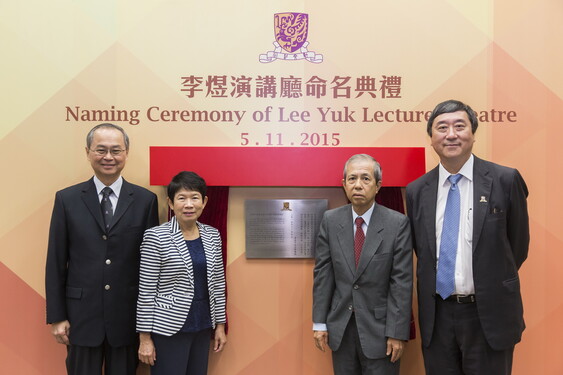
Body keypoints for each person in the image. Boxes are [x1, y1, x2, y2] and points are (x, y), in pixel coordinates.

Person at [406, 99, 529, 375]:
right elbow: (421, 251)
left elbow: (517, 247)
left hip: (488, 314)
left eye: (459, 126)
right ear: (431, 138)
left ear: (473, 134)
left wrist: (486, 279)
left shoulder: (505, 180)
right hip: (437, 317)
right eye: (442, 128)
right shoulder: (416, 191)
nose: (451, 134)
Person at [45, 123, 159, 375]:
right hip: (81, 317)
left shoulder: (145, 201)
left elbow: (151, 268)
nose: (109, 157)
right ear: (88, 152)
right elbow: (56, 260)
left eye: (116, 150)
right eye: (101, 150)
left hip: (127, 317)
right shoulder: (67, 199)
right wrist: (57, 316)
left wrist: (147, 326)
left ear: (126, 153)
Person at [312, 154, 413, 375]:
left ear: (378, 186)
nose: (358, 185)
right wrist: (319, 323)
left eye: (366, 179)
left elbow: (401, 282)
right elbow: (323, 275)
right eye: (352, 178)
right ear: (344, 184)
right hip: (341, 330)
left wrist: (397, 332)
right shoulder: (330, 221)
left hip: (382, 332)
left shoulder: (397, 224)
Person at [136, 171, 227, 375]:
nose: (188, 204)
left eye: (194, 197)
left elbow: (219, 284)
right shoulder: (156, 237)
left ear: (204, 202)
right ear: (170, 203)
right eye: (181, 198)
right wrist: (145, 338)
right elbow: (146, 290)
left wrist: (220, 325)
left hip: (203, 325)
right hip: (168, 328)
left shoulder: (212, 235)